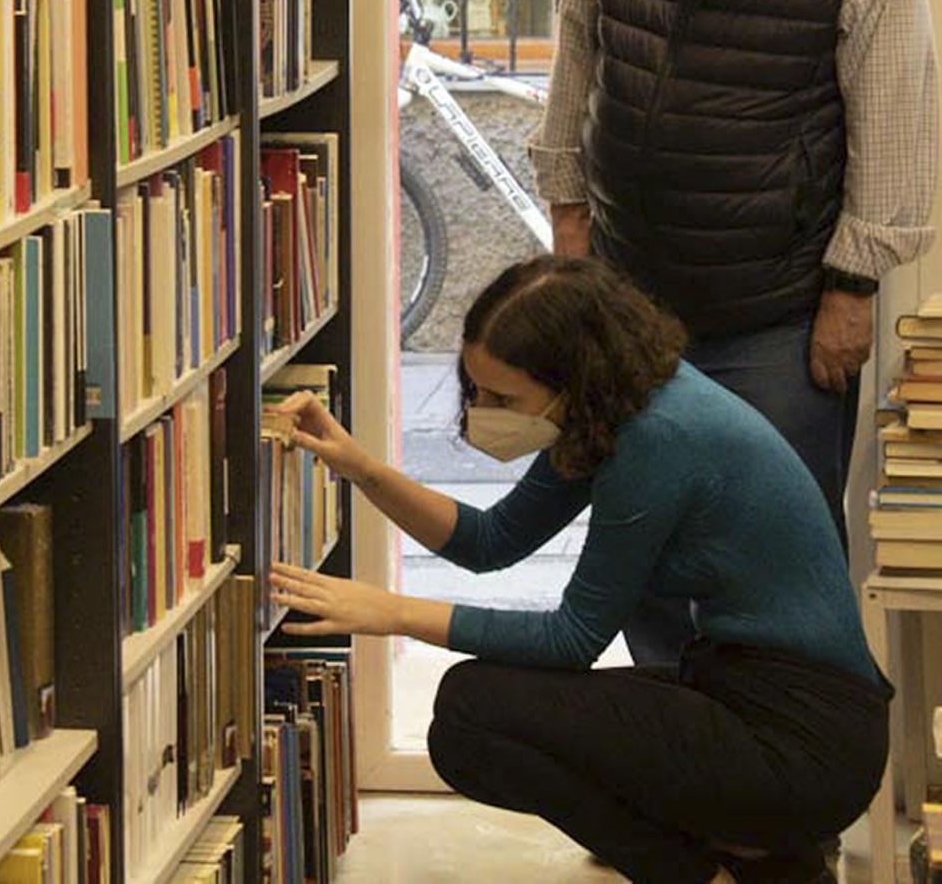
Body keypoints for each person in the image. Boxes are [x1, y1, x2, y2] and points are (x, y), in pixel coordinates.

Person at [529, 0, 938, 664]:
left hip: (777, 309)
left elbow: (893, 112)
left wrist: (850, 287)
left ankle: (778, 798)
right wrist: (568, 218)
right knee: (642, 548)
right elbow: (577, 41)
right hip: (632, 287)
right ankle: (680, 782)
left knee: (773, 563)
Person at [269, 257, 891, 884]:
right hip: (753, 696)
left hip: (805, 741)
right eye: (476, 389)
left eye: (503, 397)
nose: (483, 410)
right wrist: (362, 468)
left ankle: (705, 869)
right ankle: (760, 858)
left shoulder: (657, 437)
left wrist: (394, 612)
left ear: (573, 380)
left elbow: (573, 639)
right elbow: (492, 540)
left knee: (475, 709)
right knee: (465, 723)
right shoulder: (620, 403)